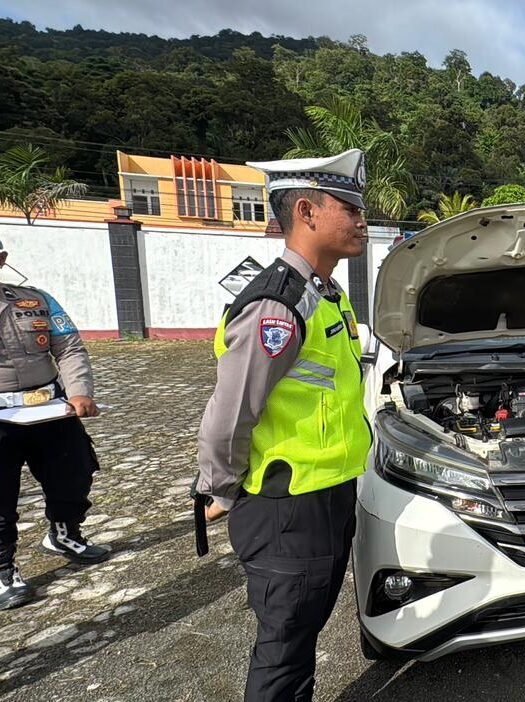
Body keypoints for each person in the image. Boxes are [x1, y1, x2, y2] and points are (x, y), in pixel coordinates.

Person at [195, 149, 373, 701]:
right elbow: (230, 414)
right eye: (349, 206)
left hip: (326, 493)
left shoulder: (325, 294)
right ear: (306, 211)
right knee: (284, 646)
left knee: (302, 633)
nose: (362, 220)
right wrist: (220, 486)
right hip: (287, 505)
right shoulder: (279, 304)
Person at [0, 238, 108, 610]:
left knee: (75, 472)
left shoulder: (35, 300)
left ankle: (64, 534)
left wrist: (79, 391)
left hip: (48, 407)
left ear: (2, 259)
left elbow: (68, 345)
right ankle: (3, 569)